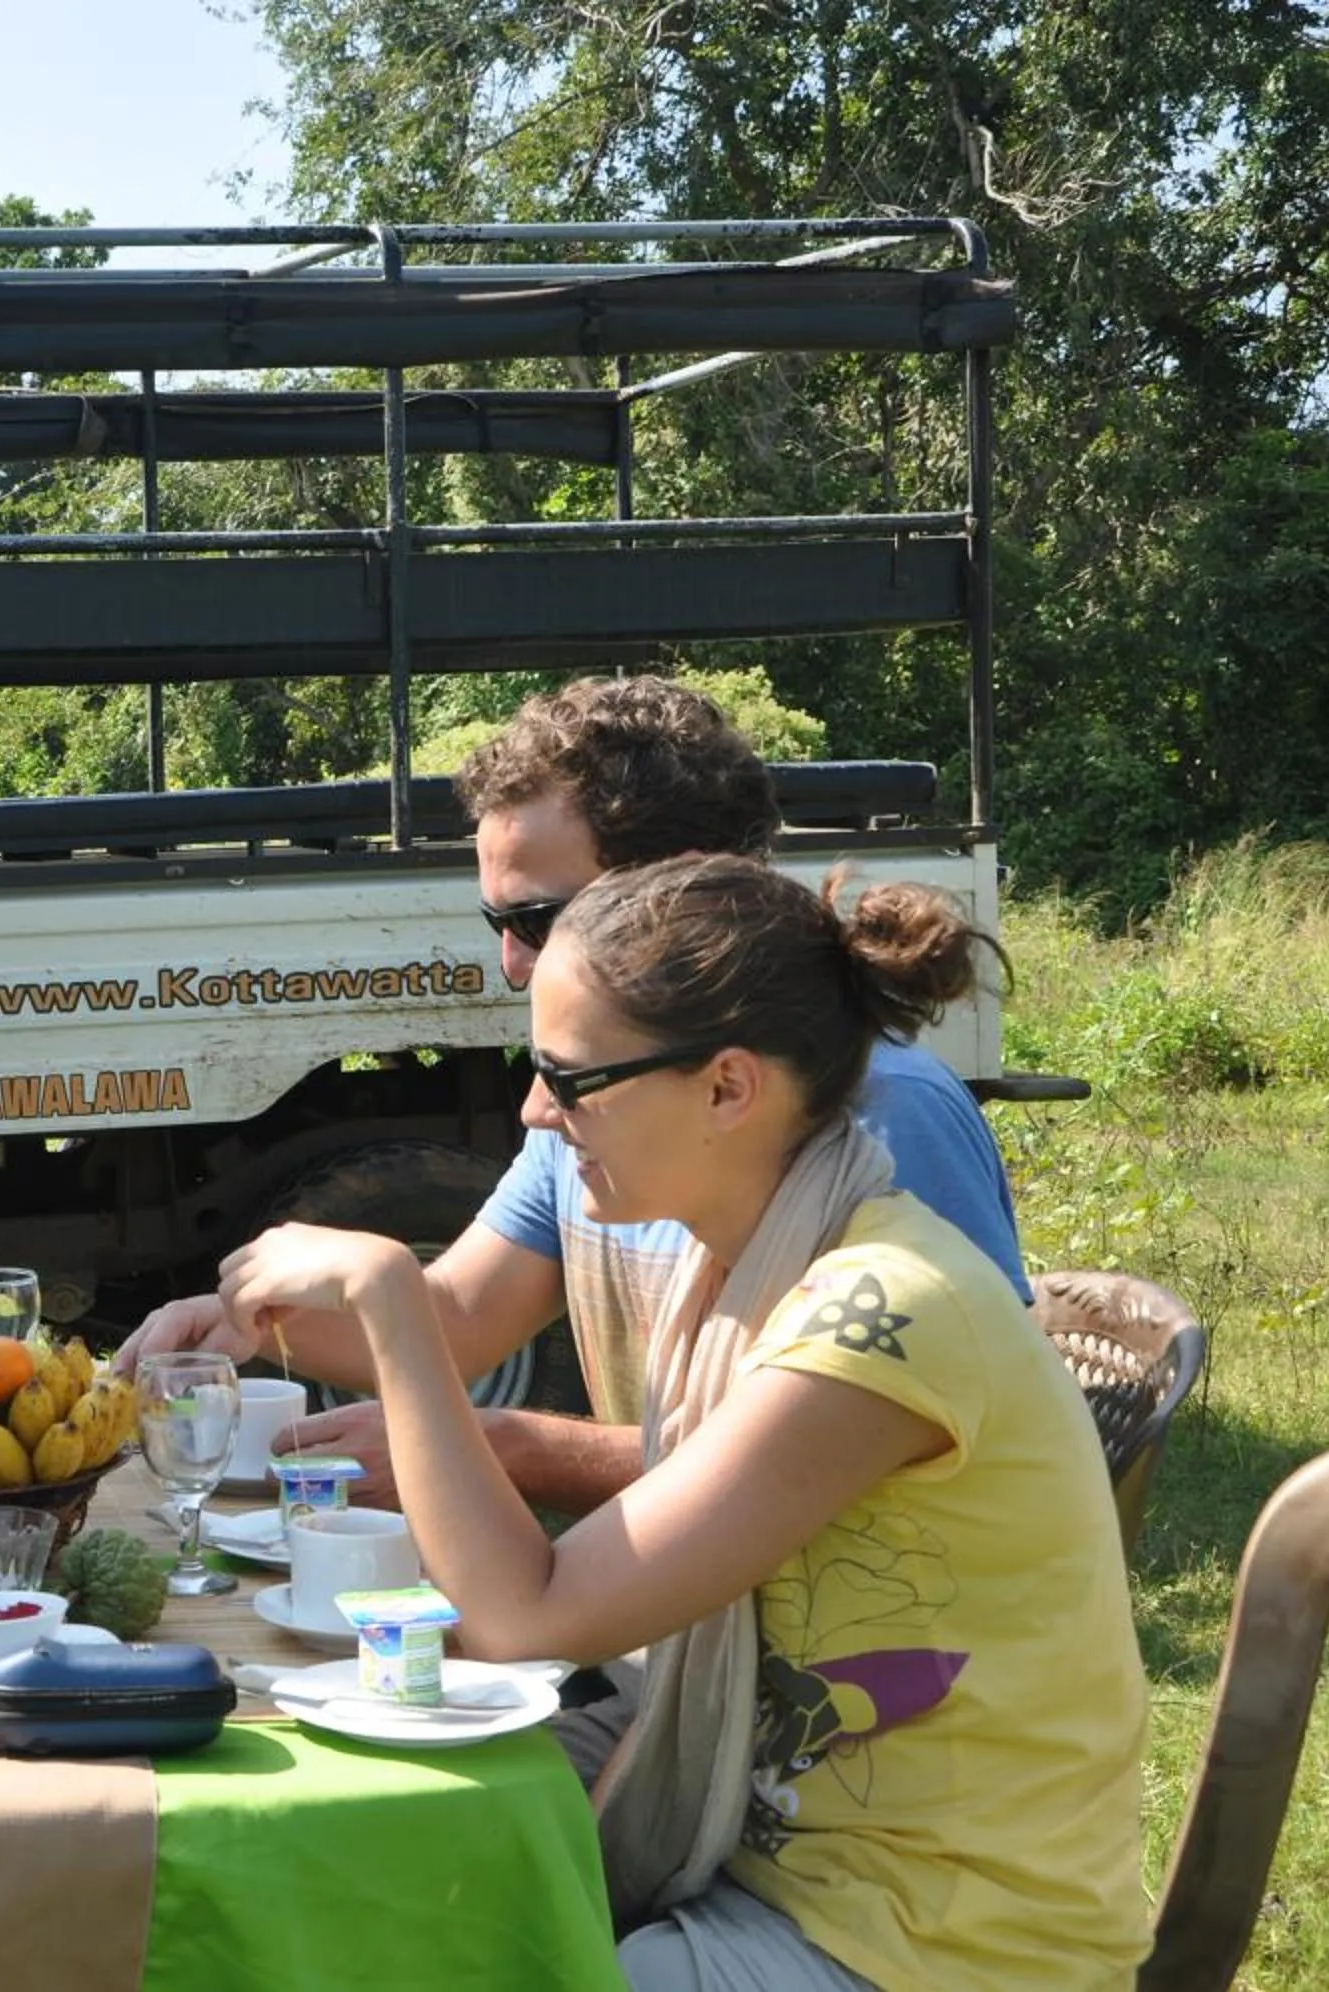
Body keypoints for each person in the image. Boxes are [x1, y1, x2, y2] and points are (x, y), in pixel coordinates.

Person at [217, 855, 1145, 1989]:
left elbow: (527, 1615)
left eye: (569, 1077)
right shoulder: (760, 1273)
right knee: (364, 1879)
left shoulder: (884, 1310)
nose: (534, 1109)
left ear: (726, 1089)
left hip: (933, 1943)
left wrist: (393, 1308)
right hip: (793, 1879)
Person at [123, 676, 1029, 1518]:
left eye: (537, 920)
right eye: (496, 923)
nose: (513, 962)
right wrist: (246, 1326)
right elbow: (459, 1319)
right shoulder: (593, 1096)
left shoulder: (883, 1113)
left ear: (679, 885)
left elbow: (937, 1444)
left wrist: (510, 1448)